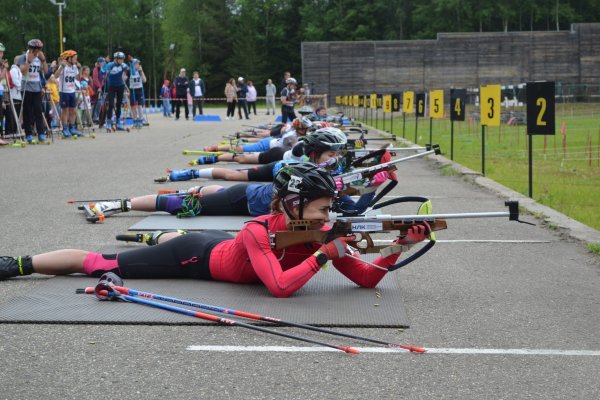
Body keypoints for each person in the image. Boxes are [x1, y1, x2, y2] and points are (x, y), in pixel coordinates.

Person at [0, 164, 427, 298]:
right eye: (321, 209)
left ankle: (153, 237)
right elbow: (279, 287)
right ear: (294, 205)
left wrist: (397, 249)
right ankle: (16, 264)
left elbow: (368, 279)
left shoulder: (318, 233)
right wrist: (323, 257)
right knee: (99, 263)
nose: (327, 217)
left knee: (172, 241)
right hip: (195, 258)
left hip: (225, 250)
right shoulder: (261, 230)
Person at [160, 127, 347, 184]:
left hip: (282, 160)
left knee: (242, 157)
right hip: (277, 162)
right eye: (331, 153)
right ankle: (194, 171)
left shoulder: (333, 164)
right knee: (238, 166)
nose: (335, 158)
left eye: (336, 154)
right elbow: (297, 148)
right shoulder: (299, 147)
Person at [17, 39, 49, 143]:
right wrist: (29, 61)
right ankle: (28, 133)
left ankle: (41, 133)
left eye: (40, 49)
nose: (38, 51)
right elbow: (23, 71)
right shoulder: (23, 57)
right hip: (26, 86)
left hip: (37, 87)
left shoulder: (39, 57)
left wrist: (43, 60)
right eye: (37, 49)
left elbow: (46, 71)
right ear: (31, 49)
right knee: (27, 111)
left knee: (38, 110)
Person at [53, 50, 81, 137]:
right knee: (65, 111)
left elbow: (77, 78)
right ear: (68, 58)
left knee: (73, 110)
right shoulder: (63, 67)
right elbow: (56, 76)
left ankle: (72, 128)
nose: (76, 60)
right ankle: (64, 128)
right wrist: (61, 66)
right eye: (74, 59)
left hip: (72, 91)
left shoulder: (74, 67)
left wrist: (79, 69)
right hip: (64, 91)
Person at [101, 51, 129, 131]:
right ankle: (109, 122)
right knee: (110, 104)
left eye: (123, 59)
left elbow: (131, 72)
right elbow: (102, 71)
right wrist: (105, 62)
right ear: (116, 59)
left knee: (119, 104)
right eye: (120, 59)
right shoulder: (110, 65)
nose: (122, 61)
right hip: (111, 86)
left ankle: (118, 122)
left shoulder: (124, 65)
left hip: (120, 86)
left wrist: (131, 63)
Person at [127, 58, 147, 127]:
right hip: (132, 89)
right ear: (134, 64)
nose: (138, 65)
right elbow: (124, 78)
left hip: (139, 89)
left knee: (140, 105)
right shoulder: (130, 70)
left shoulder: (140, 70)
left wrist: (141, 71)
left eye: (138, 64)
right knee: (133, 105)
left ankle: (141, 119)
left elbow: (144, 80)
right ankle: (135, 120)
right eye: (137, 64)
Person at [91, 57, 105, 123]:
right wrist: (99, 86)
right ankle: (94, 117)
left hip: (100, 89)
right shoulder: (95, 69)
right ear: (99, 63)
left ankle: (97, 116)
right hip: (95, 88)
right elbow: (95, 79)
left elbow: (103, 79)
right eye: (102, 62)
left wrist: (101, 86)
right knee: (95, 102)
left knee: (99, 103)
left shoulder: (102, 70)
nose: (103, 63)